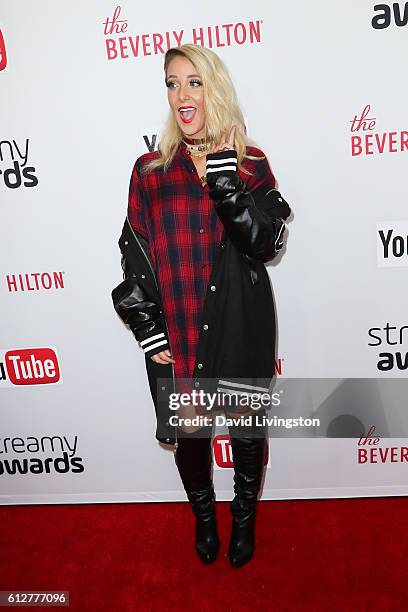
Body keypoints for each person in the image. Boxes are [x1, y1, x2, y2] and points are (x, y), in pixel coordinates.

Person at [112, 43, 291, 568]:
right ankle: (206, 517)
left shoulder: (250, 163)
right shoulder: (149, 170)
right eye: (172, 83)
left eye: (194, 82)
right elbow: (136, 253)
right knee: (191, 440)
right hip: (181, 328)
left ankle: (243, 518)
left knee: (246, 435)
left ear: (215, 88)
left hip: (239, 327)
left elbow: (265, 244)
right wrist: (147, 323)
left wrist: (227, 186)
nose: (182, 94)